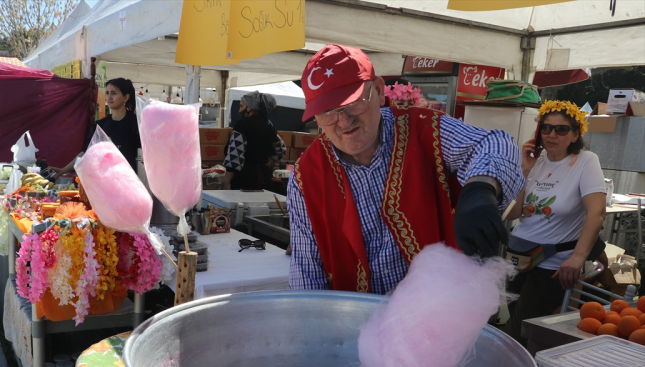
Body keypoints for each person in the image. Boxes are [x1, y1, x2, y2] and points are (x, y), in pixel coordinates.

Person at [287, 44, 524, 294]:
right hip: (357, 315)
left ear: (379, 91)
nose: (344, 121)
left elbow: (495, 142)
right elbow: (306, 274)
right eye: (327, 112)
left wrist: (481, 187)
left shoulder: (423, 128)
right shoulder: (306, 176)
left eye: (354, 103)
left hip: (441, 305)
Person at [503, 100, 606, 344]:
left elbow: (597, 212)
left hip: (551, 263)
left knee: (520, 332)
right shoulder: (534, 160)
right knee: (519, 324)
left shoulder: (585, 161)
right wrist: (524, 171)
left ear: (575, 135)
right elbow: (513, 213)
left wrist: (578, 258)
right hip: (519, 256)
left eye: (561, 129)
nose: (551, 135)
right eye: (546, 128)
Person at [51, 78, 141, 175]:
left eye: (114, 93)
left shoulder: (137, 124)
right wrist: (62, 170)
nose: (109, 97)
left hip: (130, 179)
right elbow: (86, 153)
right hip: (106, 178)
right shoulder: (101, 126)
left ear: (126, 97)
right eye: (107, 93)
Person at [222, 91, 287, 190]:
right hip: (264, 180)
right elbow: (281, 149)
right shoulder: (269, 125)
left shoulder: (242, 125)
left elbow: (235, 156)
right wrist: (265, 165)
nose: (239, 110)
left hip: (244, 181)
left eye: (241, 106)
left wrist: (226, 182)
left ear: (250, 108)